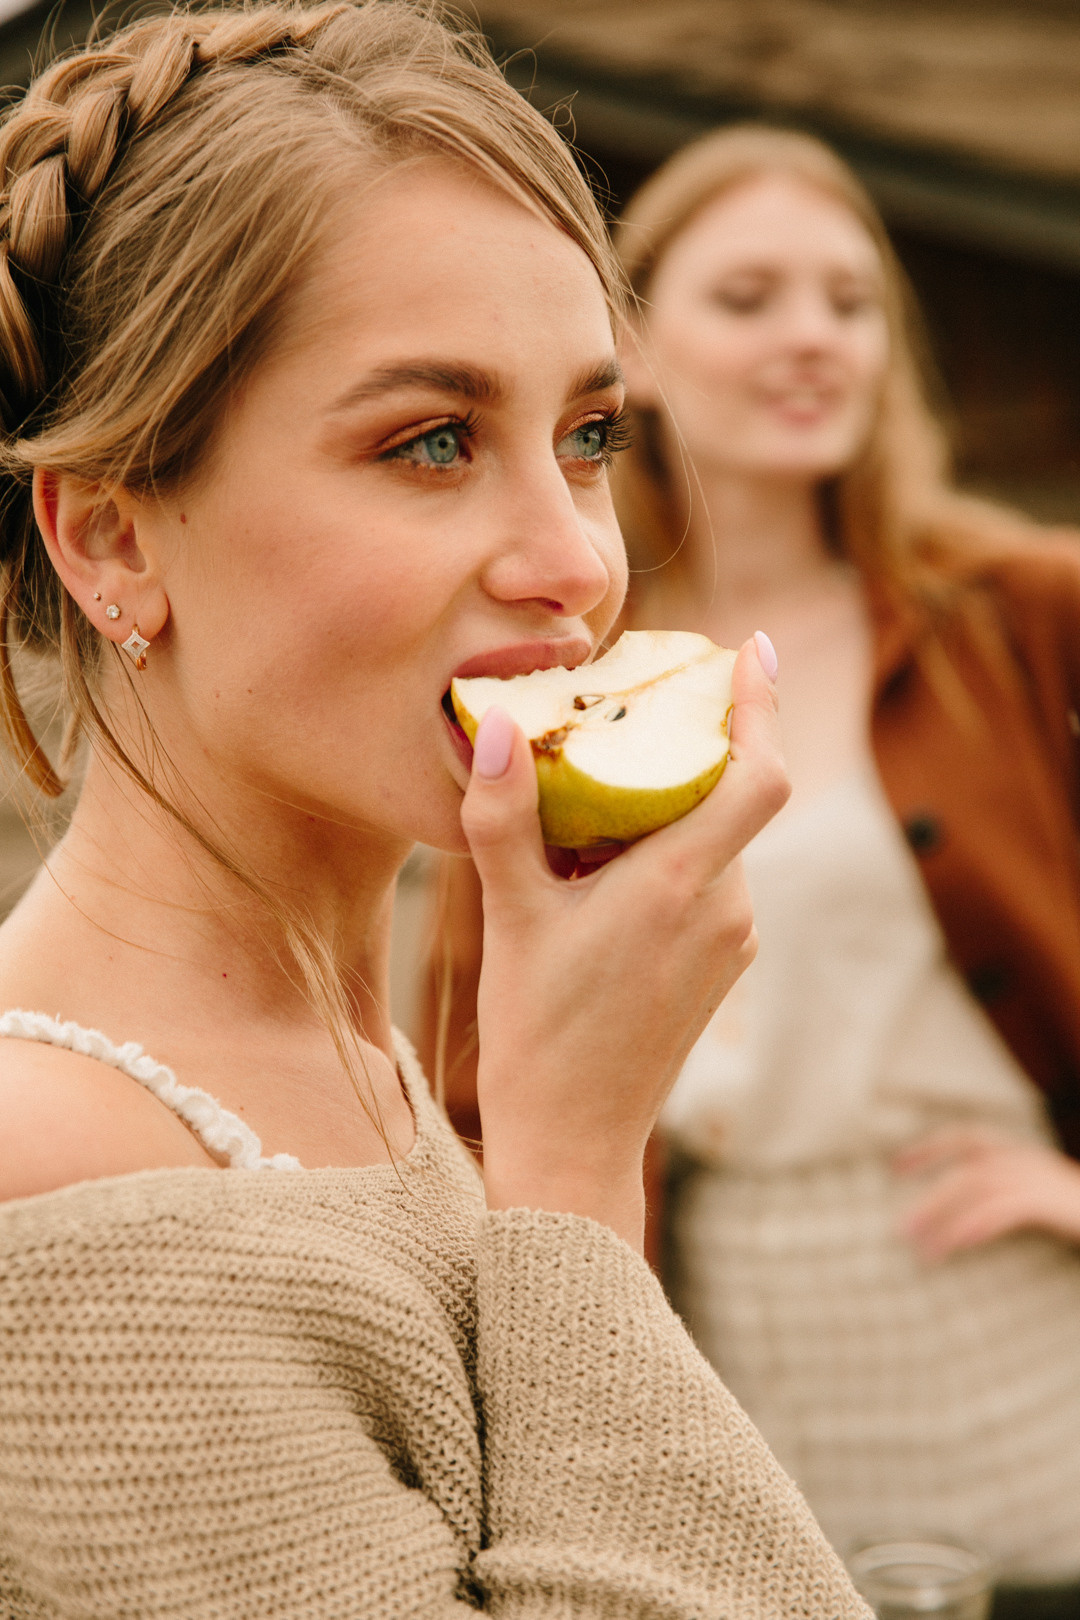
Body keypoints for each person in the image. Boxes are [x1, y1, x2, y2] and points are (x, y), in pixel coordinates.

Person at [0, 11, 872, 1617]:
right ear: (113, 539)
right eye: (431, 443)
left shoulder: (351, 1058)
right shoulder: (58, 1199)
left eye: (589, 437)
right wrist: (578, 1173)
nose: (578, 564)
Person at [424, 124, 1080, 1613]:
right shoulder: (550, 668)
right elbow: (469, 1062)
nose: (810, 339)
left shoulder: (1024, 610)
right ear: (630, 351)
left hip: (1006, 1309)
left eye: (849, 302)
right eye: (750, 298)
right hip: (705, 1313)